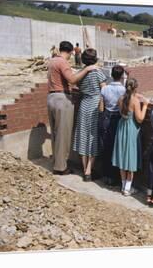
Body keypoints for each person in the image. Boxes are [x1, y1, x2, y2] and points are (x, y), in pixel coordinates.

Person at [47, 41, 97, 175]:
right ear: (70, 52)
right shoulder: (63, 62)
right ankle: (61, 167)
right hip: (61, 99)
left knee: (56, 134)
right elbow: (72, 80)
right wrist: (86, 69)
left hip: (51, 98)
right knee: (63, 134)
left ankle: (57, 162)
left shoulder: (52, 61)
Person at [72, 48, 107, 181]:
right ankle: (89, 170)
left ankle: (84, 167)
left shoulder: (81, 72)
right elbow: (104, 91)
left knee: (83, 135)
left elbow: (75, 83)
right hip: (95, 105)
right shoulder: (98, 73)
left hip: (84, 104)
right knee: (93, 137)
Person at [111, 78, 149, 196]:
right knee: (131, 157)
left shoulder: (121, 99)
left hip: (122, 127)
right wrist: (146, 106)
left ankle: (123, 186)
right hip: (131, 129)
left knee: (122, 156)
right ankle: (128, 188)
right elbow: (140, 119)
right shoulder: (135, 101)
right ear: (135, 88)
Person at [99, 65, 126, 185]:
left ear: (112, 75)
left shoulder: (105, 89)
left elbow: (101, 107)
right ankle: (115, 177)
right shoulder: (123, 90)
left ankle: (106, 175)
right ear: (121, 76)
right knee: (117, 147)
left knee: (106, 146)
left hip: (106, 116)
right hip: (117, 118)